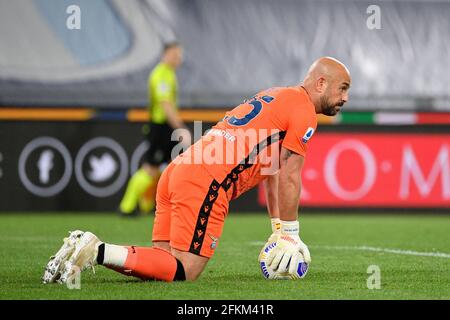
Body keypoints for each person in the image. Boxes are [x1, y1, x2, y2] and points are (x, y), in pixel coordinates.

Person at [43, 57, 351, 283]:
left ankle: (82, 251)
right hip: (206, 181)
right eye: (343, 88)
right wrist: (293, 236)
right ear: (321, 83)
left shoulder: (277, 96)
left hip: (178, 170)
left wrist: (278, 230)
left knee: (161, 267)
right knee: (184, 271)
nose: (345, 98)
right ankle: (95, 249)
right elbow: (290, 174)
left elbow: (273, 171)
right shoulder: (304, 112)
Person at [119, 41, 190, 216]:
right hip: (160, 128)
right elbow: (165, 104)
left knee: (169, 168)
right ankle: (127, 208)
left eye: (179, 55)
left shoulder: (168, 73)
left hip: (164, 127)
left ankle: (149, 205)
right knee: (151, 167)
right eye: (175, 54)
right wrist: (180, 128)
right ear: (165, 55)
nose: (178, 58)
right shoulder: (162, 74)